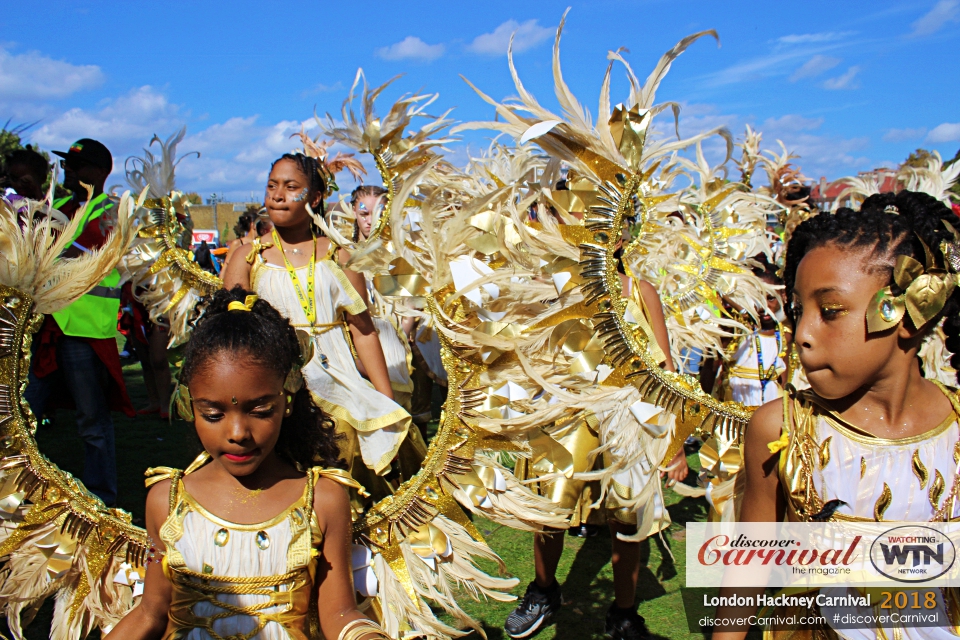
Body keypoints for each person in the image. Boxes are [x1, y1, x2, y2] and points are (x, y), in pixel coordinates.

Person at [715, 191, 960, 639]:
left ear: (909, 312)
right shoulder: (780, 428)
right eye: (797, 310)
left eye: (830, 311)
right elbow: (746, 567)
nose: (803, 334)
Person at [106, 288, 390, 640]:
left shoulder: (323, 500)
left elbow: (340, 614)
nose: (238, 433)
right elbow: (151, 611)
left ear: (287, 399)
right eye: (213, 414)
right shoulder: (166, 500)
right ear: (187, 406)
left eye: (259, 411)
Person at [504, 248, 690, 640]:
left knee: (629, 515)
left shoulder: (641, 292)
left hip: (631, 416)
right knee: (550, 506)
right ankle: (543, 589)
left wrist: (674, 444)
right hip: (568, 410)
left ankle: (624, 614)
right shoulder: (554, 287)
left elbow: (664, 368)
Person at [222, 153, 415, 498]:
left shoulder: (339, 255)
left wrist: (387, 401)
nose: (278, 195)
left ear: (314, 198)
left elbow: (363, 330)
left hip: (337, 374)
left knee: (349, 443)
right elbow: (234, 335)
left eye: (291, 187)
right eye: (272, 186)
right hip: (275, 378)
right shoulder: (249, 258)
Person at [25, 138, 134, 507]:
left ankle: (101, 498)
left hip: (85, 332)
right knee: (23, 414)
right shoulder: (56, 206)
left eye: (78, 164)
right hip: (45, 329)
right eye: (67, 164)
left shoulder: (112, 212)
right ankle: (19, 488)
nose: (69, 170)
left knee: (92, 422)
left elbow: (73, 251)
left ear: (101, 172)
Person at [351, 185, 415, 410]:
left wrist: (399, 341)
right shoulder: (342, 255)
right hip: (354, 351)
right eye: (364, 213)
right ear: (353, 212)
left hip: (393, 349)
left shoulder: (397, 255)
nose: (370, 221)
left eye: (378, 214)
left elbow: (408, 307)